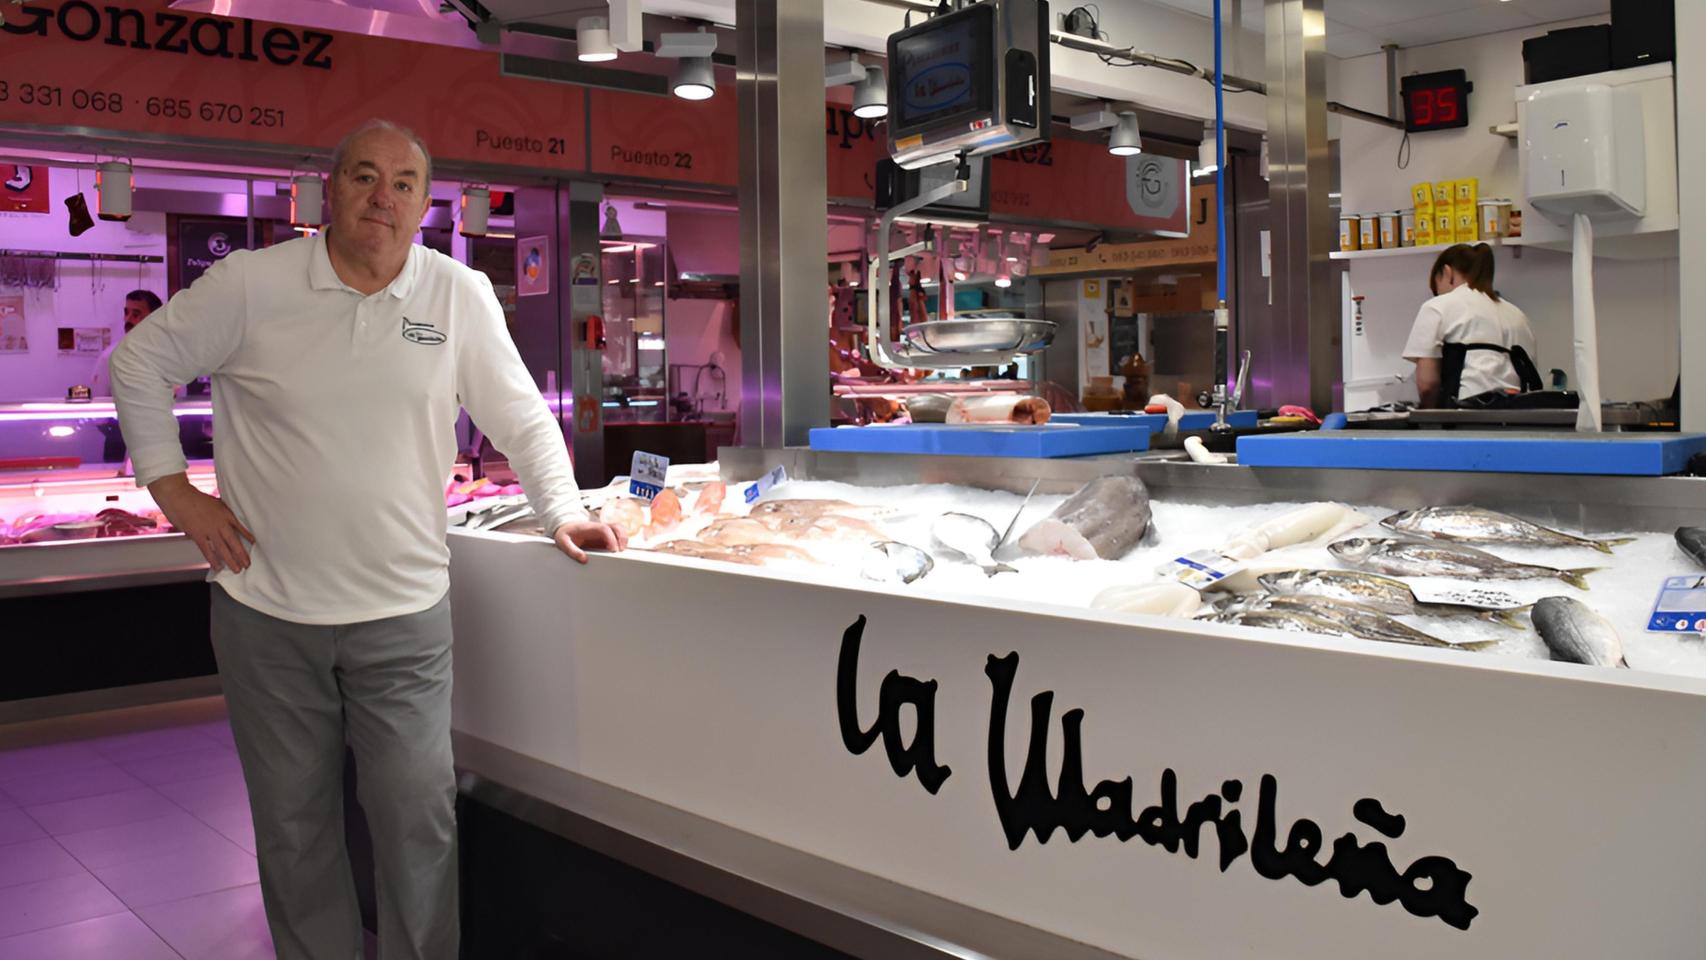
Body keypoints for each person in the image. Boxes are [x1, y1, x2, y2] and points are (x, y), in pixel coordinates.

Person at [109, 119, 627, 960]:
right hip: (266, 613)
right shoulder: (252, 284)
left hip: (405, 615)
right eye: (363, 176)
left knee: (416, 818)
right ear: (330, 188)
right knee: (294, 826)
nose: (382, 197)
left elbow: (522, 415)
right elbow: (138, 363)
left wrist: (560, 508)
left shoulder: (456, 293)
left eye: (403, 183)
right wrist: (175, 492)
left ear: (426, 203)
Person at [1402, 243, 1541, 408]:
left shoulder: (1438, 306)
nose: (1438, 294)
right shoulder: (1519, 316)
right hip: (1519, 419)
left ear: (1447, 272)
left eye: (1436, 287)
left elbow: (1428, 384)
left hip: (1467, 418)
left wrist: (1429, 420)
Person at [90, 290, 163, 462]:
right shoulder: (111, 357)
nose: (128, 319)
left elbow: (178, 403)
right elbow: (98, 413)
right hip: (120, 442)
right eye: (126, 312)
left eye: (136, 314)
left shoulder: (168, 356)